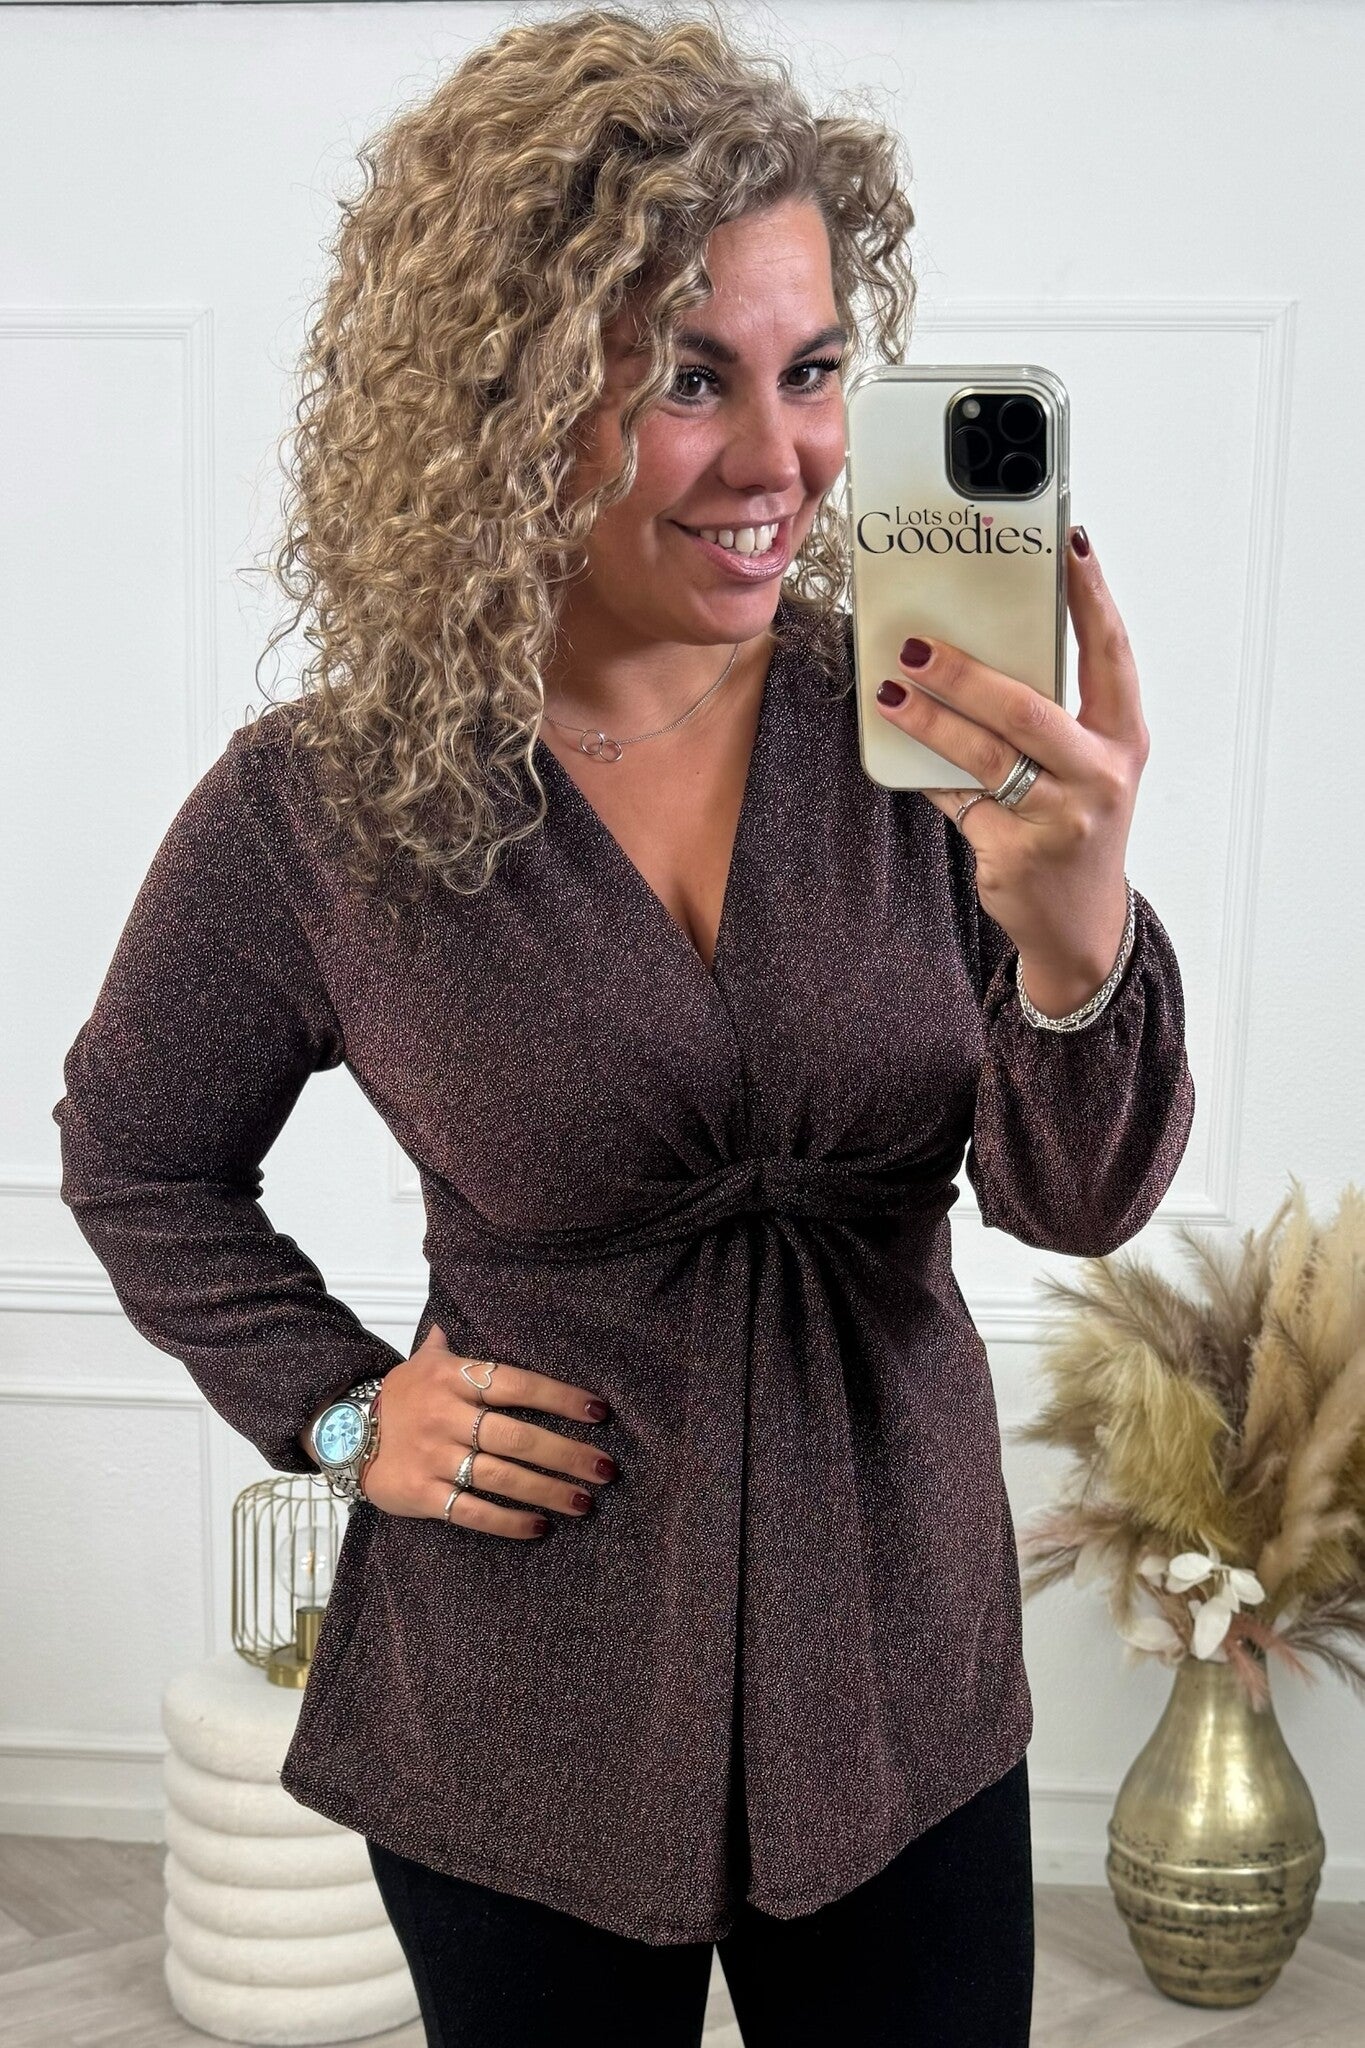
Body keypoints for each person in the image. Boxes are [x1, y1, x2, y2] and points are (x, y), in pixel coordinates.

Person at [51, 6, 1195, 2043]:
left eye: (813, 370)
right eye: (686, 378)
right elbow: (136, 1151)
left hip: (897, 1684)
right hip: (519, 1706)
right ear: (504, 391)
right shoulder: (327, 805)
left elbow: (1078, 1201)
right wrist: (339, 1411)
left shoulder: (923, 729)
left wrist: (1069, 930)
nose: (779, 462)